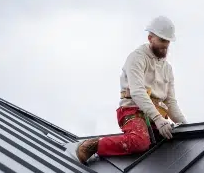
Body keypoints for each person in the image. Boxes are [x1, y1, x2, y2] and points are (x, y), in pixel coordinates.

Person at [70, 15, 187, 164]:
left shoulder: (167, 69)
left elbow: (170, 102)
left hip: (156, 116)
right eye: (162, 40)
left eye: (168, 41)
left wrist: (186, 127)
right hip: (133, 110)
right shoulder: (137, 58)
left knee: (174, 138)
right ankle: (93, 145)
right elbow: (138, 92)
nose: (165, 45)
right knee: (140, 141)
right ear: (150, 38)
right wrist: (158, 119)